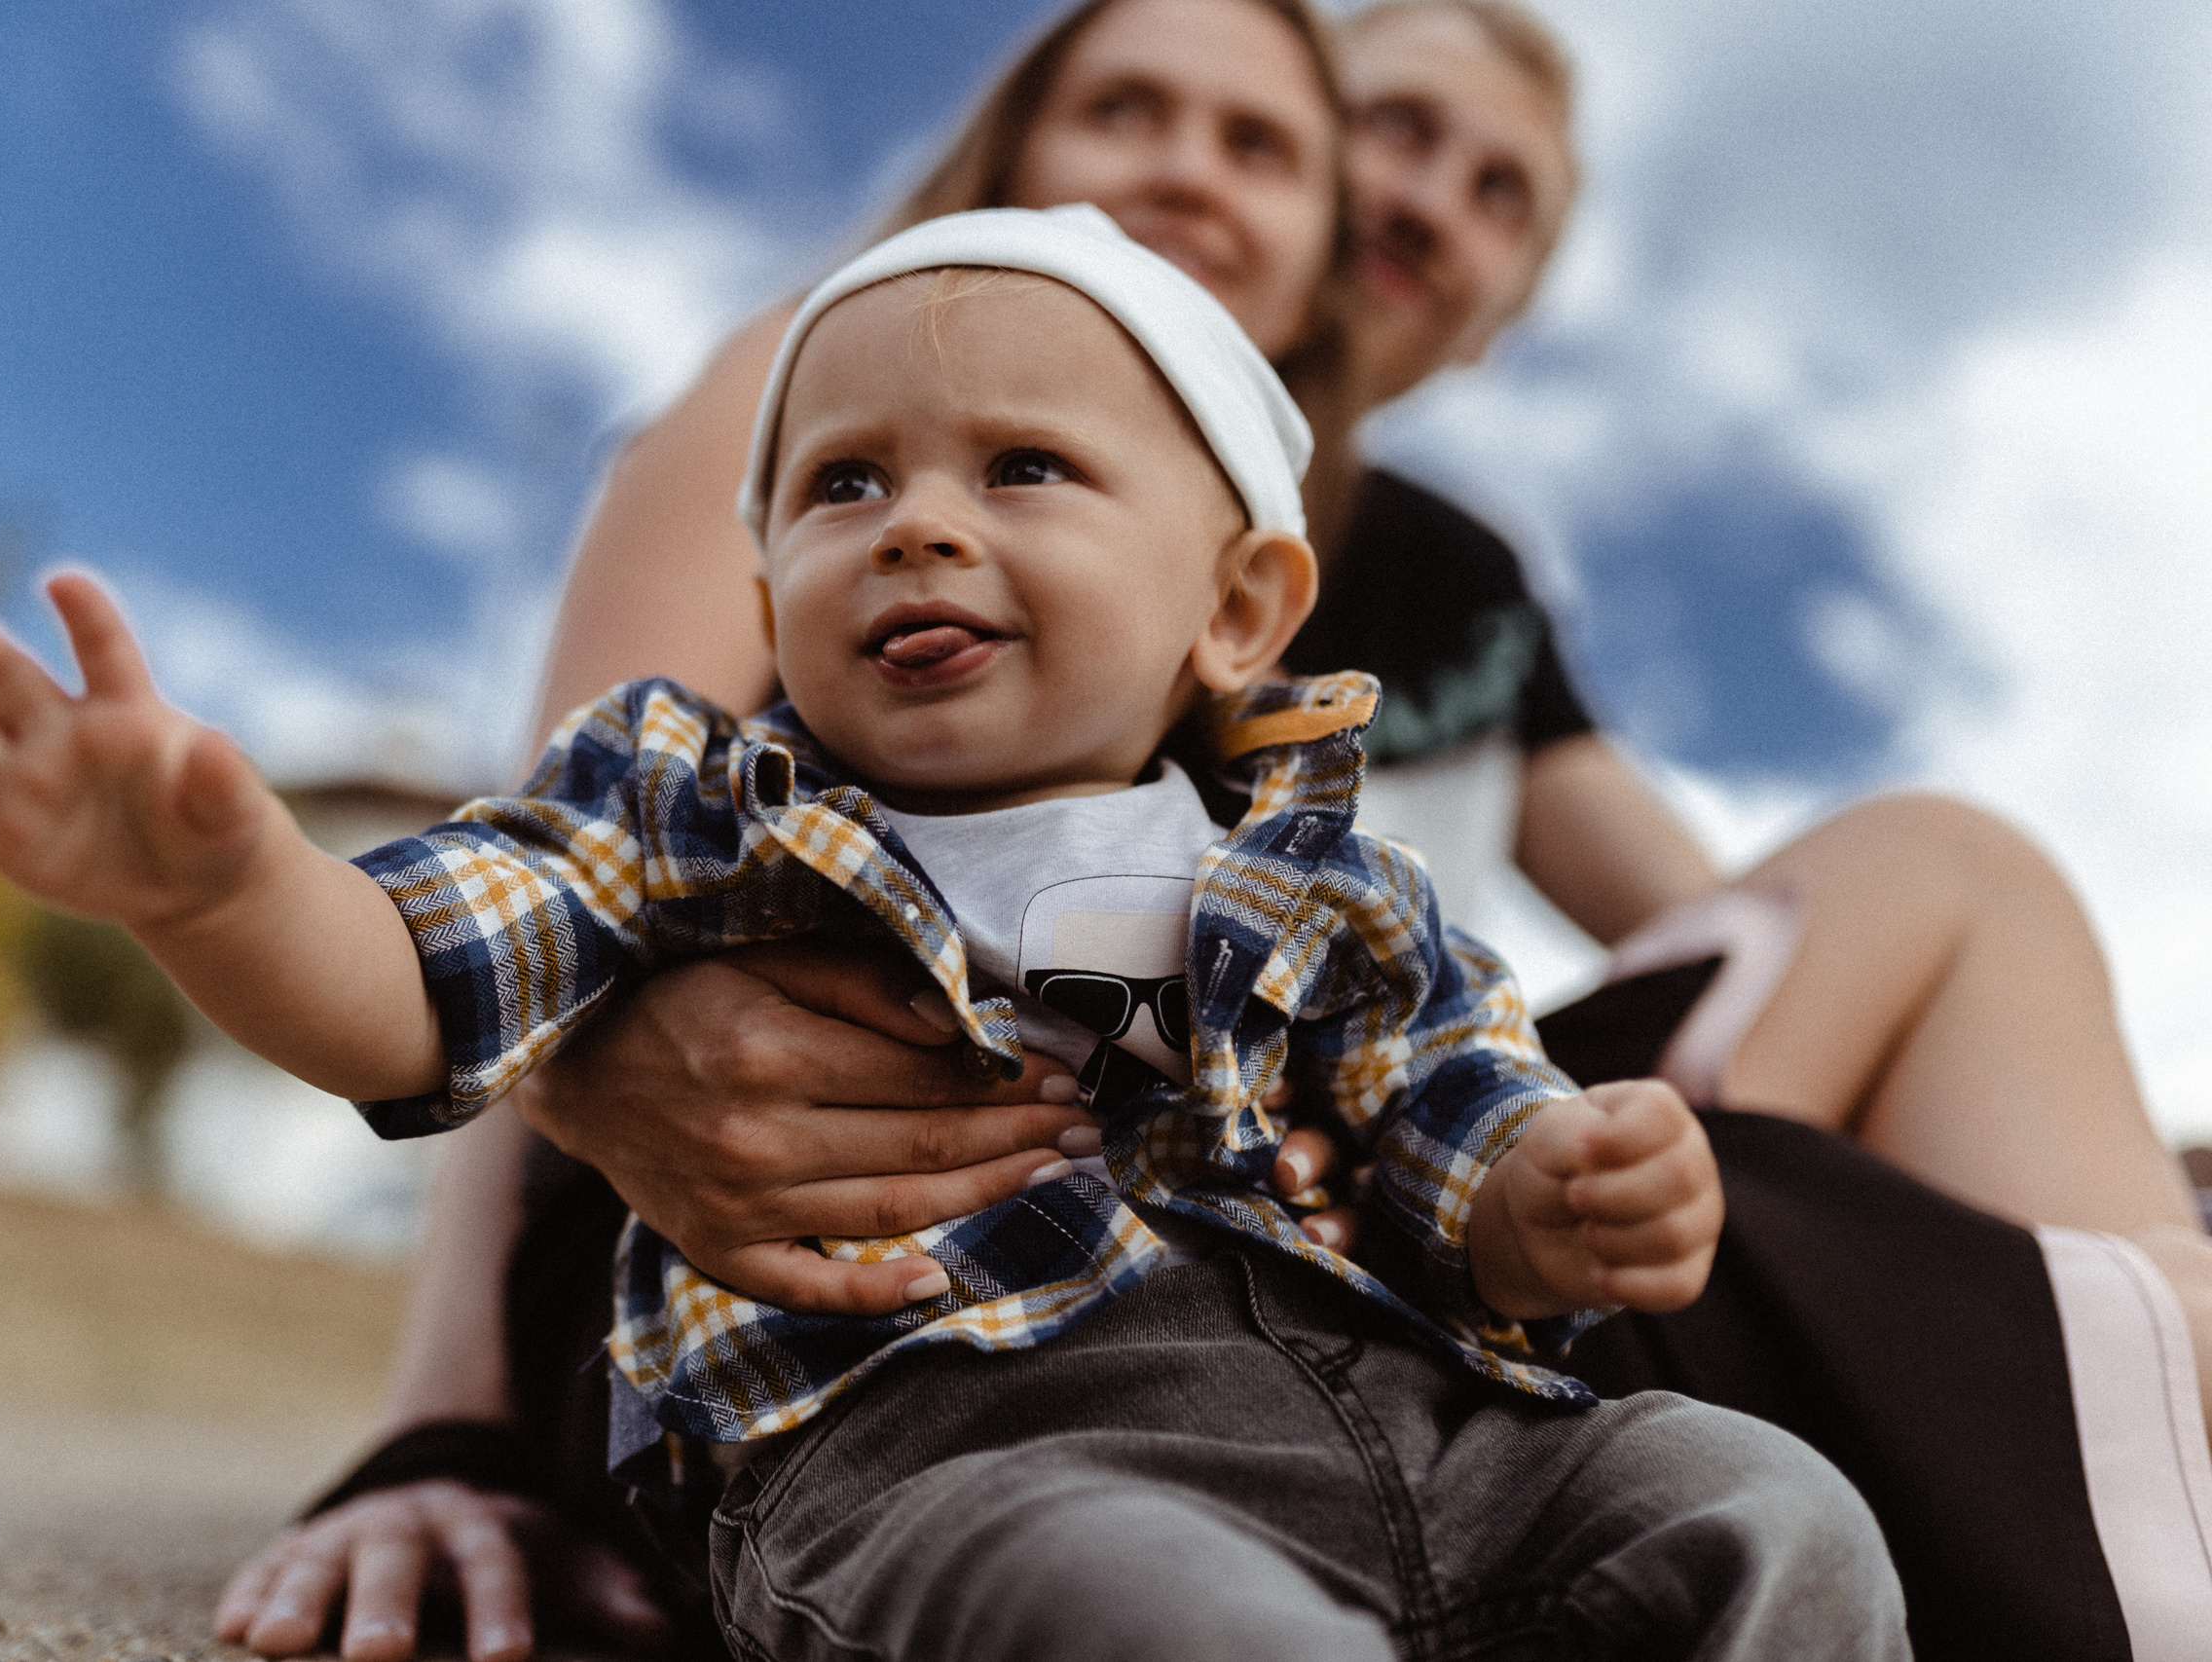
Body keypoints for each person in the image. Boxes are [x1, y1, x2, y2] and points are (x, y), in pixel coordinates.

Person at [223, 1, 2212, 1658]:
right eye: (1122, 107)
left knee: (1930, 900)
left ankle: (2149, 1386)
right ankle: (2124, 1400)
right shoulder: (828, 374)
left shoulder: (1425, 584)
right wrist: (448, 1406)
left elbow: (1721, 953)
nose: (1185, 164)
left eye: (1265, 145)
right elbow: (506, 882)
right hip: (877, 1308)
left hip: (1324, 1250)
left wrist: (1567, 1159)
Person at [0, 204, 1908, 1661]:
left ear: (1236, 610)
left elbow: (1458, 1123)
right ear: (765, 596)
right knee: (1154, 1623)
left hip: (1435, 1440)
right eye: (842, 484)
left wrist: (1556, 1190)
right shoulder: (690, 807)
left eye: (1023, 465)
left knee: (1753, 1505)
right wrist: (221, 889)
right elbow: (417, 981)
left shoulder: (1324, 879)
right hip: (957, 1462)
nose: (920, 519)